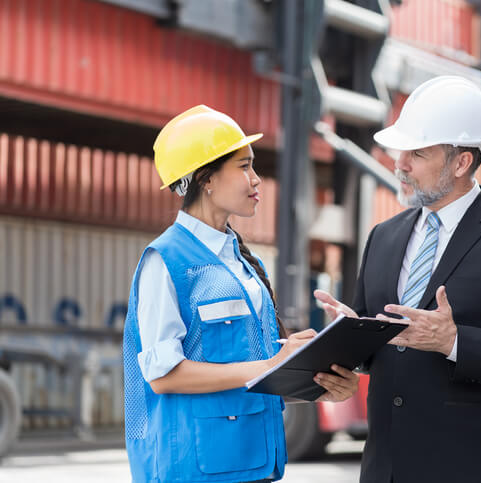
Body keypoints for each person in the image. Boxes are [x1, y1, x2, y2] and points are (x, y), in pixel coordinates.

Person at [314, 76, 481, 483]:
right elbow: (382, 348)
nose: (399, 164)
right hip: (387, 471)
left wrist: (454, 342)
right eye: (401, 151)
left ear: (461, 162)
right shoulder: (384, 236)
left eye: (417, 152)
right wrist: (351, 335)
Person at [122, 105, 359, 483]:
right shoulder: (165, 261)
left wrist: (317, 383)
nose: (257, 179)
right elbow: (163, 375)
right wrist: (270, 364)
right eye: (244, 166)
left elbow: (247, 374)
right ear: (206, 178)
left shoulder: (244, 265)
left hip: (253, 465)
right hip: (193, 470)